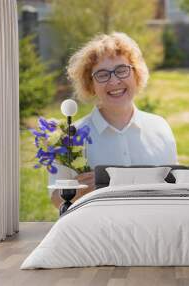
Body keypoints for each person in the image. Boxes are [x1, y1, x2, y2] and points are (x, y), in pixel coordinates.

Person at [49, 32, 178, 208]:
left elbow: (175, 188)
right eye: (102, 74)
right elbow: (56, 198)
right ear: (90, 84)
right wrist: (78, 192)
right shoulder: (70, 138)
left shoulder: (160, 127)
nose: (114, 80)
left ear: (136, 74)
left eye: (122, 70)